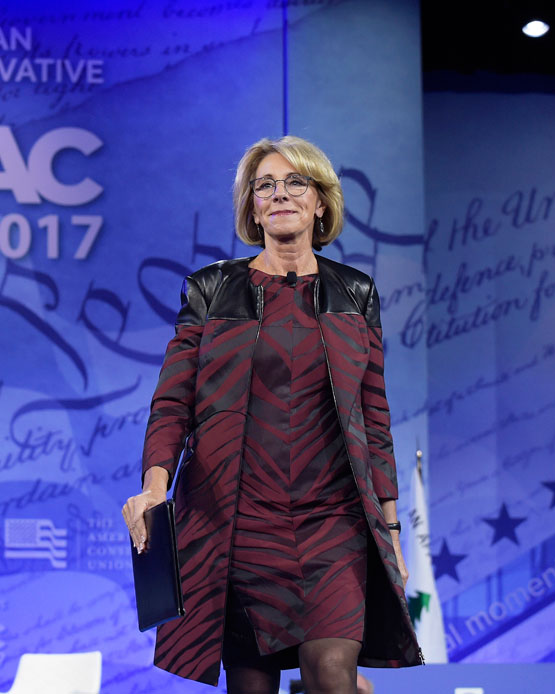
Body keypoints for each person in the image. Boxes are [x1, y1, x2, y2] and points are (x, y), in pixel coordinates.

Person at [123, 136, 423, 693]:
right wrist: (154, 485)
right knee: (252, 685)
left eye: (295, 183)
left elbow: (374, 419)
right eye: (265, 186)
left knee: (334, 673)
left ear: (321, 203)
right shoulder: (211, 291)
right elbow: (172, 403)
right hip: (237, 520)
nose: (280, 194)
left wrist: (391, 533)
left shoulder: (356, 293)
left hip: (333, 520)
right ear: (252, 207)